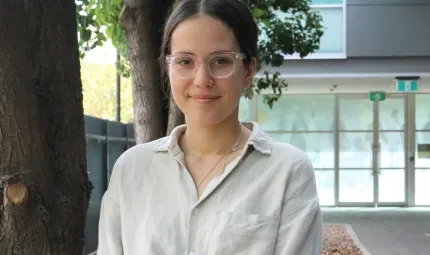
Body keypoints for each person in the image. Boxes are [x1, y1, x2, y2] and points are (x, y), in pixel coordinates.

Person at [97, 0, 323, 254]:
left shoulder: (287, 172)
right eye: (185, 61)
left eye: (221, 61)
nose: (202, 79)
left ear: (248, 70)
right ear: (168, 69)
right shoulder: (131, 170)